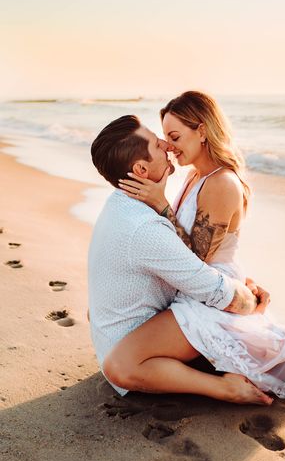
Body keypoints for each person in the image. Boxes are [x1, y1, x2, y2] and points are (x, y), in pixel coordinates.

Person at [107, 92, 285, 402]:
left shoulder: (221, 184)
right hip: (201, 286)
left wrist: (161, 204)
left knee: (128, 363)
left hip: (207, 293)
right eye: (165, 137)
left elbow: (195, 259)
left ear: (202, 131)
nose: (169, 146)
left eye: (175, 136)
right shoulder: (195, 176)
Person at [88, 114, 273, 406]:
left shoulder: (120, 203)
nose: (166, 145)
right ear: (140, 169)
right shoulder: (145, 227)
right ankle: (225, 388)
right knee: (229, 309)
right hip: (134, 356)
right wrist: (251, 303)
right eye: (158, 142)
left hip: (115, 335)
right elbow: (212, 289)